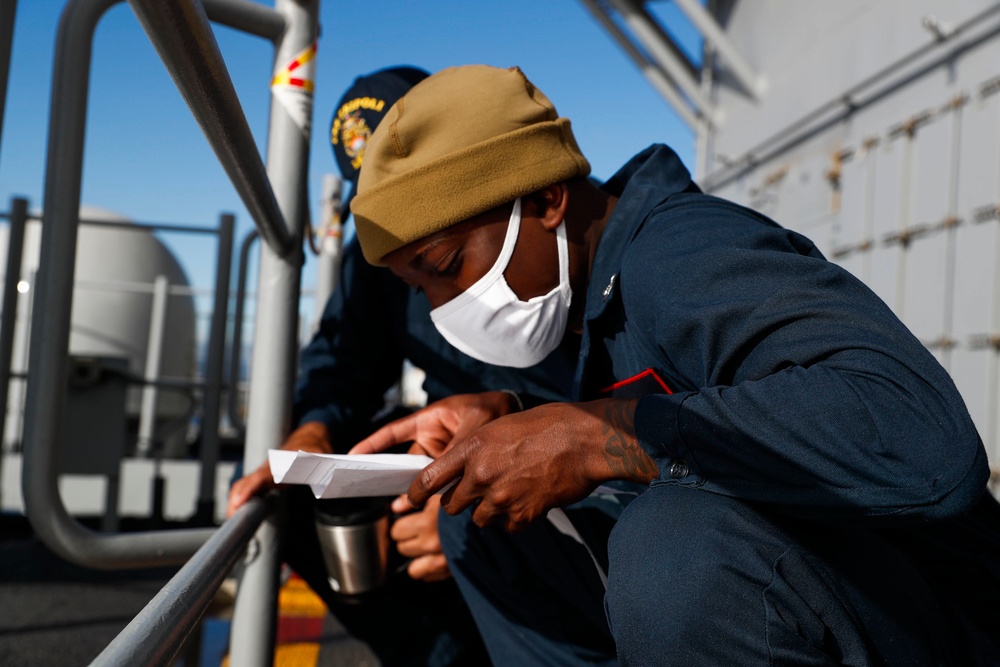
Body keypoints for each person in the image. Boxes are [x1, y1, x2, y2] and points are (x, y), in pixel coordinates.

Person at [347, 64, 1000, 665]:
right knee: (480, 512)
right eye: (418, 289)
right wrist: (517, 419)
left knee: (673, 550)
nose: (443, 308)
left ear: (547, 201)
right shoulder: (579, 302)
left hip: (944, 622)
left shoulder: (679, 256)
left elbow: (922, 436)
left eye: (445, 268)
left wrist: (594, 436)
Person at [226, 66, 578, 667]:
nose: (425, 285)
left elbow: (623, 421)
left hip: (566, 466)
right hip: (450, 453)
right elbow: (344, 357)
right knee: (299, 502)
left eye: (441, 262)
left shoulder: (575, 257)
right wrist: (314, 430)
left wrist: (471, 509)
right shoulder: (381, 258)